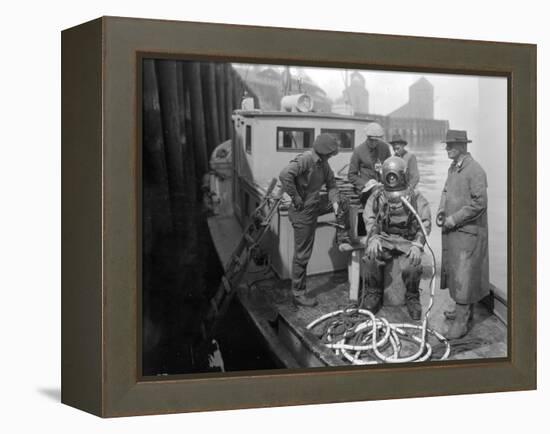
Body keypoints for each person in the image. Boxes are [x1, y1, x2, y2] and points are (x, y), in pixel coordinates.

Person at [362, 156, 431, 320]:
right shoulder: (378, 196)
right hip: (383, 238)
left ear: (403, 175)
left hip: (407, 241)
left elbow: (425, 222)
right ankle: (373, 293)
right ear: (384, 174)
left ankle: (412, 296)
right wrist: (373, 238)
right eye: (389, 176)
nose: (391, 179)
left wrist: (418, 244)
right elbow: (369, 218)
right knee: (371, 257)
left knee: (413, 265)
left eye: (394, 176)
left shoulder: (414, 197)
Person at [437, 129, 490, 339]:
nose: (447, 148)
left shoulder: (475, 170)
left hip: (468, 233)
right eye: (447, 145)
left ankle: (462, 321)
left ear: (462, 147)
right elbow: (445, 191)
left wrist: (454, 219)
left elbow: (480, 204)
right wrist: (442, 210)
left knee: (464, 275)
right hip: (454, 231)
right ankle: (460, 311)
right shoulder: (453, 168)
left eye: (450, 145)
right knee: (455, 272)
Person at [279, 133, 340, 307]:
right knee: (302, 254)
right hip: (303, 212)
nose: (330, 157)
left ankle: (342, 237)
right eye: (329, 154)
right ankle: (298, 293)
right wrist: (295, 196)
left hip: (314, 207)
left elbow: (332, 185)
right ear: (322, 151)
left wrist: (335, 203)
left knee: (344, 201)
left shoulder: (324, 164)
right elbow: (284, 175)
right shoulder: (306, 159)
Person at [348, 122, 391, 205]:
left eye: (376, 141)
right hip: (366, 189)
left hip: (383, 185)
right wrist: (365, 183)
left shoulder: (385, 147)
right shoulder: (358, 151)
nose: (374, 143)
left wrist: (383, 173)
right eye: (371, 140)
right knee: (377, 194)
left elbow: (389, 169)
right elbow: (351, 176)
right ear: (367, 138)